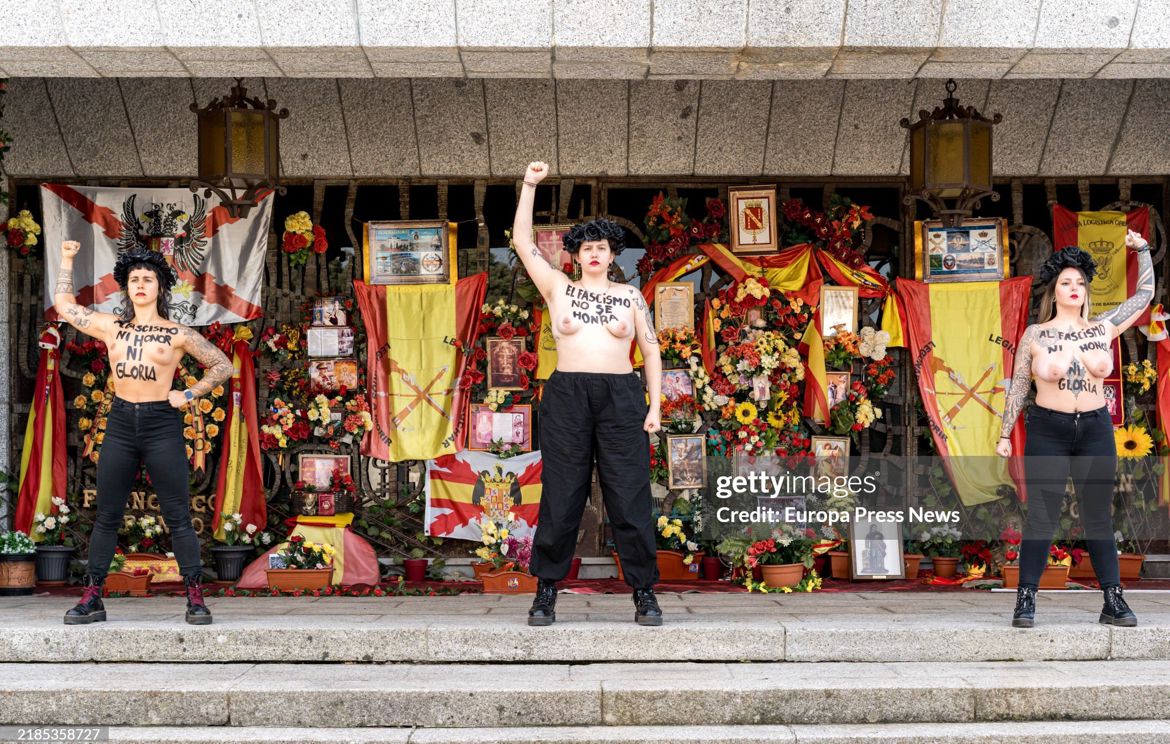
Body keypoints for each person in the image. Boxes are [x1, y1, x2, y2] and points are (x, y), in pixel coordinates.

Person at [513, 161, 664, 627]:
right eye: (586, 247)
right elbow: (521, 241)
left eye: (602, 247)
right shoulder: (557, 287)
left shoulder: (630, 296)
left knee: (629, 497)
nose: (594, 253)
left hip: (621, 395)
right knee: (562, 495)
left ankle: (644, 593)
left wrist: (655, 405)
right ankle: (545, 592)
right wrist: (530, 185)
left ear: (613, 253)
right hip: (568, 395)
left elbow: (651, 350)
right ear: (575, 254)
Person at [54, 243, 232, 626]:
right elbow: (64, 305)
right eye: (133, 279)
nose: (139, 284)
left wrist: (189, 393)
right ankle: (93, 597)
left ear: (159, 288)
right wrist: (68, 259)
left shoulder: (177, 333)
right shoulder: (111, 326)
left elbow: (222, 364)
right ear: (126, 287)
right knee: (107, 515)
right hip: (119, 424)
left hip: (161, 423)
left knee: (178, 515)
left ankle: (195, 597)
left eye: (147, 279)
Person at [997, 232, 1154, 629]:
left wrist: (1143, 250)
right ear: (1055, 288)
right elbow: (1018, 385)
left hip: (1095, 429)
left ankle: (1113, 600)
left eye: (1080, 282)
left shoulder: (1103, 328)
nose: (1074, 288)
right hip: (1048, 429)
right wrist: (1003, 434)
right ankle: (1026, 599)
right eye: (1066, 282)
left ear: (1087, 289)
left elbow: (1144, 296)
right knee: (1042, 517)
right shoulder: (1036, 334)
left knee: (1098, 515)